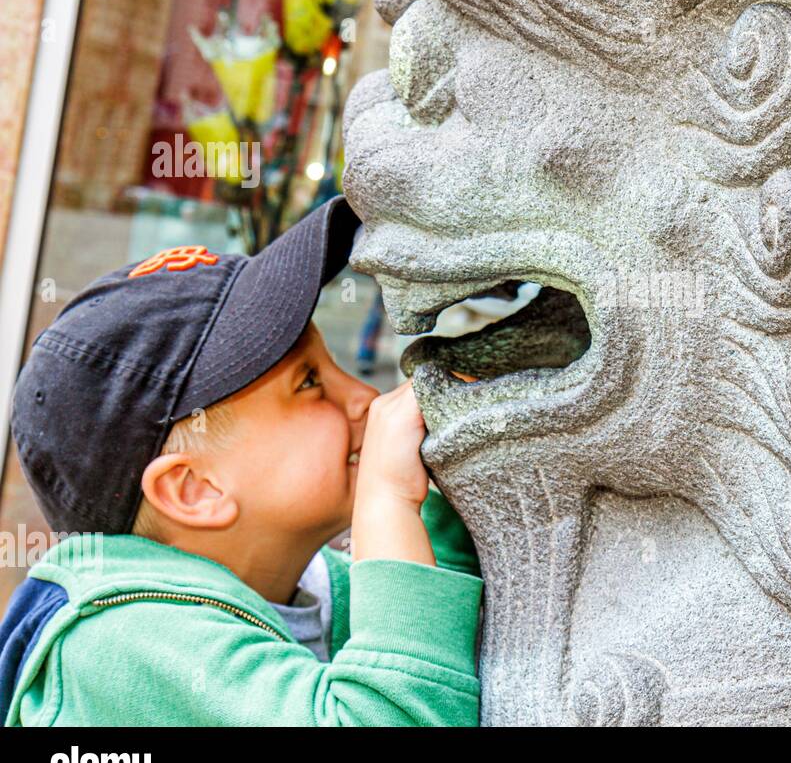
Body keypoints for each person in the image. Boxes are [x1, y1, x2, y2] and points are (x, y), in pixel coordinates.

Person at [0, 196, 483, 725]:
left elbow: (456, 640)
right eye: (309, 383)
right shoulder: (116, 642)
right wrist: (389, 502)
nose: (363, 396)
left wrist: (446, 489)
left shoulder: (318, 590)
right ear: (194, 490)